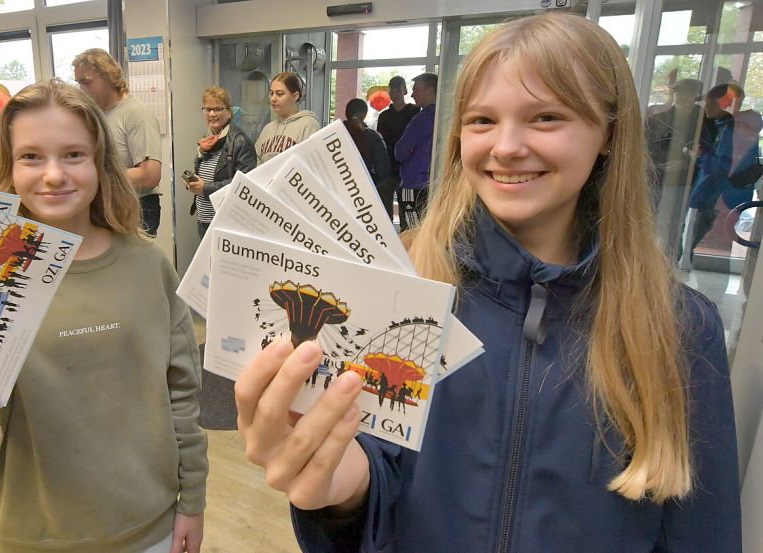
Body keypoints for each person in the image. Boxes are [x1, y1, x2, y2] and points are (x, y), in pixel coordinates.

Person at [234, 13, 740, 552]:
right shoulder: (403, 285)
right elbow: (373, 472)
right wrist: (344, 493)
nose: (506, 146)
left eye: (545, 117)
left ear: (609, 132)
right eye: (481, 121)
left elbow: (701, 531)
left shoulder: (677, 328)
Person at [0, 79, 208, 553]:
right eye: (30, 156)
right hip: (34, 536)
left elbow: (182, 395)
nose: (53, 175)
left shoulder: (148, 265)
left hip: (153, 526)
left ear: (100, 163)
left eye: (73, 154)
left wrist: (192, 500)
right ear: (8, 165)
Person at [73, 48, 164, 237]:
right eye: (79, 83)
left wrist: (96, 176)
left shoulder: (136, 114)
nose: (82, 89)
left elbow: (150, 176)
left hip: (136, 209)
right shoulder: (96, 115)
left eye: (86, 82)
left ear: (107, 76)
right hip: (107, 207)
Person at [685, 83, 754, 264]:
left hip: (718, 199)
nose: (706, 106)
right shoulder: (726, 128)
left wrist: (700, 155)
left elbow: (723, 168)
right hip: (718, 198)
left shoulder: (732, 131)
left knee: (690, 249)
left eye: (711, 103)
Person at [186, 86, 257, 237]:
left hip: (227, 222)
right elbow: (206, 175)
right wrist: (193, 183)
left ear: (229, 112)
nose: (212, 114)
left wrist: (205, 188)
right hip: (204, 220)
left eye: (218, 109)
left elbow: (243, 185)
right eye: (208, 109)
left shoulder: (240, 141)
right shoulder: (207, 140)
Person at [646, 78, 703, 260]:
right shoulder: (659, 119)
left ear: (695, 95)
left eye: (686, 92)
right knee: (652, 221)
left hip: (683, 181)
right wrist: (658, 166)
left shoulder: (703, 120)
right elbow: (645, 147)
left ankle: (669, 265)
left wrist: (688, 159)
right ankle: (650, 264)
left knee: (674, 224)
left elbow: (706, 148)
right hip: (658, 177)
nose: (681, 95)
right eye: (678, 91)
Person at [394, 72, 438, 231]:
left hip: (414, 184)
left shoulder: (422, 119)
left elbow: (400, 152)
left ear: (430, 90)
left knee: (412, 233)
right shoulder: (446, 117)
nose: (412, 94)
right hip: (435, 184)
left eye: (416, 90)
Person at [376, 76, 421, 221]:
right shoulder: (384, 116)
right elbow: (381, 143)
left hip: (409, 170)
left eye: (398, 89)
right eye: (392, 90)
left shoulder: (415, 113)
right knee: (384, 205)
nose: (394, 93)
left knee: (407, 210)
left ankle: (407, 237)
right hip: (390, 168)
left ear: (404, 91)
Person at [255, 72, 320, 165]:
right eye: (271, 93)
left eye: (279, 94)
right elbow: (255, 162)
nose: (273, 98)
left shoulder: (308, 125)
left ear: (295, 96)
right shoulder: (268, 129)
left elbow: (313, 164)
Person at [342, 98, 390, 192]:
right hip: (364, 191)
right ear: (364, 114)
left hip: (339, 190)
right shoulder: (374, 137)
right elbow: (383, 172)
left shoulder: (334, 133)